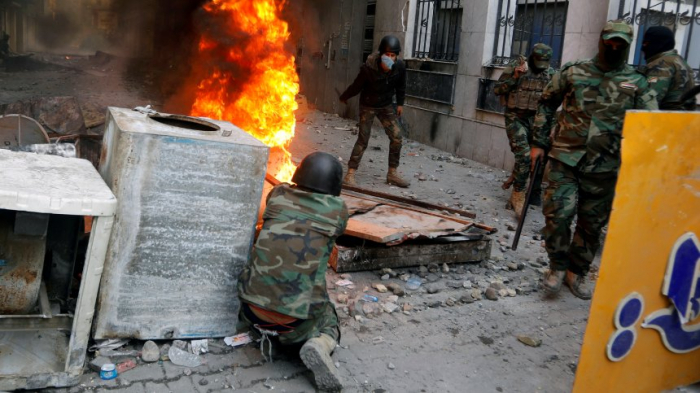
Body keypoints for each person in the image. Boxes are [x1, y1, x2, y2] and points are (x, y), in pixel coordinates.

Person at [530, 21, 659, 299]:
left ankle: (577, 271)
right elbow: (546, 102)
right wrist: (538, 142)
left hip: (605, 166)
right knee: (558, 215)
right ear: (601, 40)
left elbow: (651, 124)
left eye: (619, 45)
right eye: (609, 42)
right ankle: (557, 267)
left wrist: (640, 162)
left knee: (591, 225)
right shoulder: (574, 71)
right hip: (565, 158)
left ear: (627, 47)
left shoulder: (637, 82)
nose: (613, 48)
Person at [237, 152, 348, 391]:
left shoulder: (277, 196)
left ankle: (254, 324)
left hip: (249, 310)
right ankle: (319, 343)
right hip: (295, 325)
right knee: (329, 316)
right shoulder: (338, 210)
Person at [339, 35, 410, 188]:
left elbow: (401, 85)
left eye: (392, 55)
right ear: (380, 55)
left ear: (396, 56)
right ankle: (350, 174)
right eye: (386, 55)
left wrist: (400, 104)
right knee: (363, 139)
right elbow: (356, 86)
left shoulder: (400, 67)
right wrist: (344, 96)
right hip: (368, 105)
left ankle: (392, 173)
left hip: (386, 105)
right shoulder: (368, 68)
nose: (389, 58)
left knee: (397, 137)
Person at [494, 43, 555, 217]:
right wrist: (514, 77)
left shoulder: (550, 74)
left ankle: (532, 191)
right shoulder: (517, 67)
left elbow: (552, 103)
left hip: (537, 120)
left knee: (538, 156)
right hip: (516, 117)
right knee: (524, 155)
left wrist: (552, 126)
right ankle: (517, 195)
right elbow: (497, 89)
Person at [641, 25, 697, 110]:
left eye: (646, 43)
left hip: (666, 118)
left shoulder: (661, 64)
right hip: (686, 118)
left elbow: (650, 101)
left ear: (657, 43)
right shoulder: (680, 61)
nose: (643, 48)